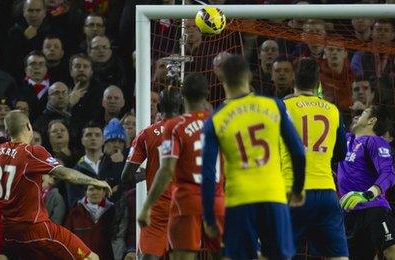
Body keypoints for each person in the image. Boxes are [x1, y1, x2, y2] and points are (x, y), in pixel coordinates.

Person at [201, 54, 306, 259]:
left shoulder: (215, 120)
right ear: (249, 76)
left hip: (239, 201)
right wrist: (297, 189)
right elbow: (298, 152)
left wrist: (209, 218)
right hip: (273, 196)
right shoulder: (274, 106)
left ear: (221, 79)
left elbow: (207, 174)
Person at [0, 110, 111, 259]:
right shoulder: (31, 152)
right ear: (28, 126)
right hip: (35, 227)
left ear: (7, 130)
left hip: (10, 232)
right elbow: (64, 174)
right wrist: (95, 181)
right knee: (91, 258)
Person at [138, 73, 224, 259]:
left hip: (187, 202)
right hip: (216, 199)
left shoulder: (176, 126)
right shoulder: (220, 123)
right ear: (207, 93)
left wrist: (147, 206)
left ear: (183, 95)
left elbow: (167, 169)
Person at [282, 58, 349, 259]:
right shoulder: (333, 110)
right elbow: (340, 154)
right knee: (338, 256)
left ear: (293, 79)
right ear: (318, 83)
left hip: (293, 192)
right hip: (327, 193)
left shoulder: (283, 106)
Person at [337, 106, 395, 259]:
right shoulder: (346, 139)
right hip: (349, 214)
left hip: (373, 208)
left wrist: (368, 194)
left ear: (371, 120)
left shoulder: (375, 142)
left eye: (362, 113)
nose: (356, 116)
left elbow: (389, 173)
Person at [121, 87, 181, 259]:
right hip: (186, 203)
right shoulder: (195, 132)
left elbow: (125, 178)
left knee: (149, 256)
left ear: (160, 107)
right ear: (181, 106)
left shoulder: (146, 134)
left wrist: (145, 174)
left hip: (158, 204)